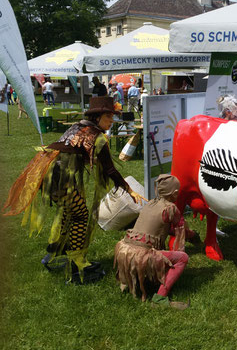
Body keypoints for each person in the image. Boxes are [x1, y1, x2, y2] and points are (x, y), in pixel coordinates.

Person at [2, 96, 145, 284]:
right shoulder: (97, 136)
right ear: (97, 117)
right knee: (80, 215)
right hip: (59, 179)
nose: (112, 121)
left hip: (52, 175)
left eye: (113, 117)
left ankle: (57, 252)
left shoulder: (80, 126)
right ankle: (77, 266)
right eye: (109, 117)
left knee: (71, 214)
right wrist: (129, 190)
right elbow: (110, 169)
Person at [114, 174, 189, 307]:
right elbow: (181, 234)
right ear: (175, 193)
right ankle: (159, 299)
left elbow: (160, 229)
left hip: (123, 249)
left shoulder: (150, 204)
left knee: (147, 250)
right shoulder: (171, 208)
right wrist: (194, 237)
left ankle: (129, 281)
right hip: (140, 254)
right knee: (182, 258)